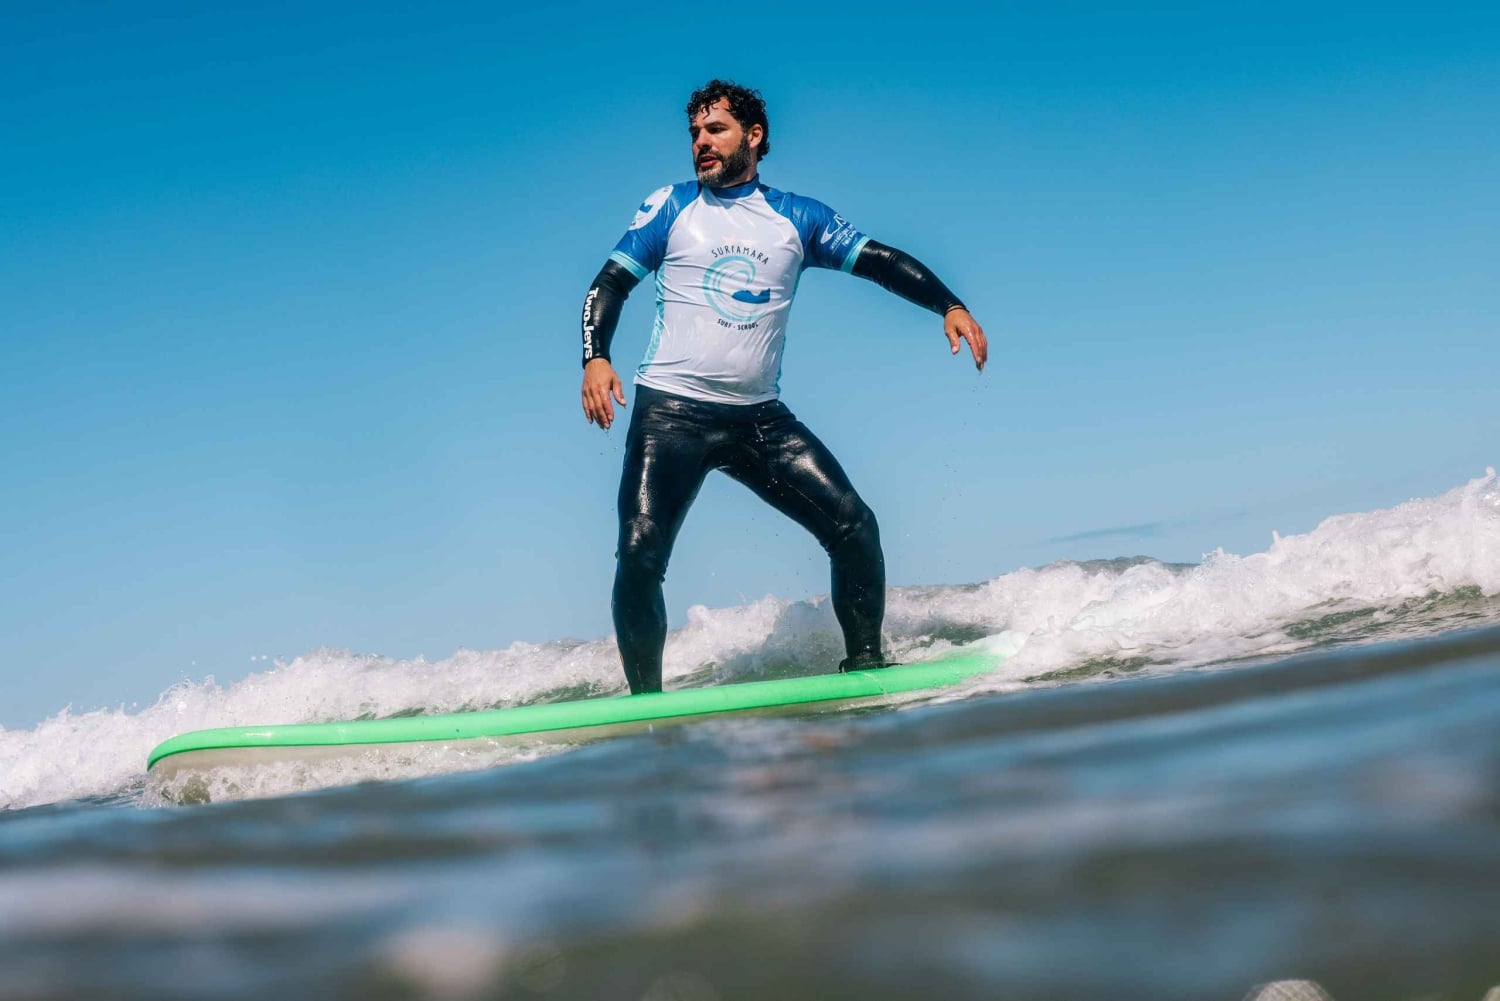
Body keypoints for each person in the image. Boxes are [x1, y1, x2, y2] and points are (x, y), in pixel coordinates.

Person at [580, 79, 987, 695]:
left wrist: (948, 305)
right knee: (639, 552)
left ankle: (867, 670)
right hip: (670, 416)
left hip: (760, 420)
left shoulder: (798, 218)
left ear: (754, 135)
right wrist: (596, 357)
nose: (701, 143)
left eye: (715, 130)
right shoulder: (670, 207)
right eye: (694, 133)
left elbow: (878, 259)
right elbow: (608, 284)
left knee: (855, 526)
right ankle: (647, 704)